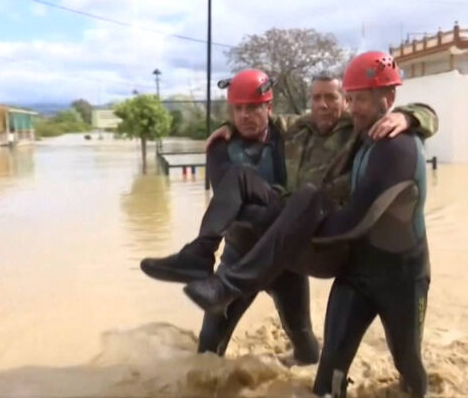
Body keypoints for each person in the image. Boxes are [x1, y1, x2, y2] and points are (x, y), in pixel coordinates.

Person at [142, 68, 436, 366]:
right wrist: (225, 127)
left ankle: (303, 375)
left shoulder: (331, 130)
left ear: (268, 108)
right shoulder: (231, 145)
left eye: (253, 108)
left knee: (304, 342)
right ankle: (198, 256)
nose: (246, 115)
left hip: (290, 257)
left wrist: (409, 117)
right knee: (208, 349)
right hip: (242, 253)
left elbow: (410, 115)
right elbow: (232, 205)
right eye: (238, 109)